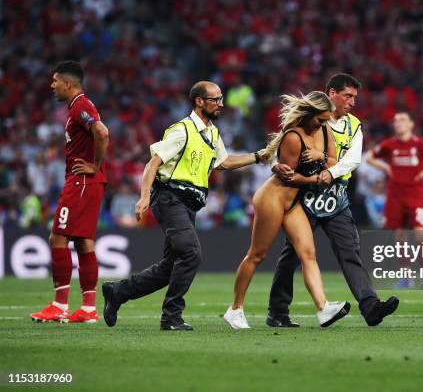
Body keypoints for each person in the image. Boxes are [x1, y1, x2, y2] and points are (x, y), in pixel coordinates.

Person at [102, 81, 265, 331]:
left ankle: (118, 292)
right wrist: (144, 196)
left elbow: (225, 162)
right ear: (199, 102)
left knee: (171, 265)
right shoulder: (182, 131)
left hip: (189, 205)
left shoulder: (212, 132)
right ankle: (171, 316)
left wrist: (257, 156)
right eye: (215, 99)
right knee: (191, 254)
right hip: (169, 198)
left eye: (221, 99)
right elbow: (152, 164)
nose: (221, 103)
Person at [267, 74, 399, 328]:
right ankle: (278, 311)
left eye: (354, 97)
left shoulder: (354, 125)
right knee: (293, 255)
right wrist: (275, 166)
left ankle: (370, 306)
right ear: (332, 94)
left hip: (336, 195)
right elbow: (281, 146)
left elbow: (354, 160)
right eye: (347, 96)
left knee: (350, 252)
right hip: (304, 196)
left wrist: (329, 170)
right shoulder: (308, 119)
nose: (352, 102)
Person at [223, 91, 350, 329]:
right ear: (309, 114)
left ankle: (323, 309)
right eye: (321, 119)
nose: (324, 123)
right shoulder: (294, 136)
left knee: (308, 253)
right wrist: (315, 180)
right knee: (257, 255)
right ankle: (235, 309)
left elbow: (334, 161)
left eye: (326, 119)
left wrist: (320, 156)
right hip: (273, 198)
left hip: (293, 203)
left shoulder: (325, 130)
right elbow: (289, 178)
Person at [30, 61, 110, 324]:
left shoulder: (80, 106)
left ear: (68, 84)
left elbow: (102, 131)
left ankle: (59, 305)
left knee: (57, 237)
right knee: (83, 241)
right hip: (86, 182)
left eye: (55, 81)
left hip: (81, 182)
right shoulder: (77, 107)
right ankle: (88, 309)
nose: (52, 86)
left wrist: (94, 166)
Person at [366, 111, 423, 288]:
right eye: (395, 121)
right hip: (395, 195)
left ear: (411, 124)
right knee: (400, 236)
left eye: (402, 120)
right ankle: (405, 276)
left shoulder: (420, 144)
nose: (398, 123)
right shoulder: (389, 144)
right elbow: (370, 158)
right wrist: (385, 166)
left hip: (415, 194)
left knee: (421, 235)